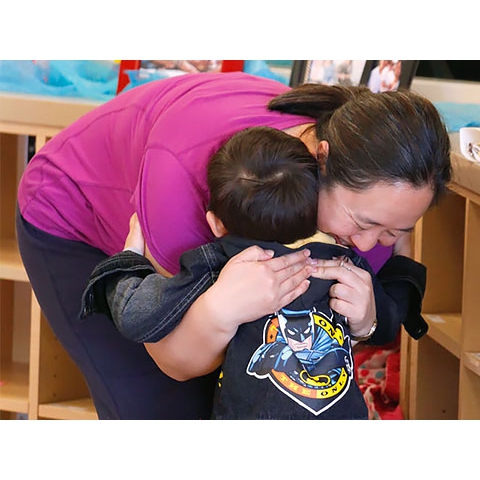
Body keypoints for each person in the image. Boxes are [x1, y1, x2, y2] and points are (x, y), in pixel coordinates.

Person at [16, 71, 452, 420]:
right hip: (74, 215)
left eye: (395, 233)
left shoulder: (369, 208)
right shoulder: (192, 176)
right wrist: (219, 310)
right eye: (365, 224)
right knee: (165, 414)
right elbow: (174, 357)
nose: (370, 244)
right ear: (322, 159)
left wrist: (366, 321)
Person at [81, 126, 430, 419]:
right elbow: (390, 318)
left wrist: (127, 258)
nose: (369, 242)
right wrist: (370, 316)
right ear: (313, 203)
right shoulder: (341, 263)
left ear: (215, 224)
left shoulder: (217, 265)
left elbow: (138, 314)